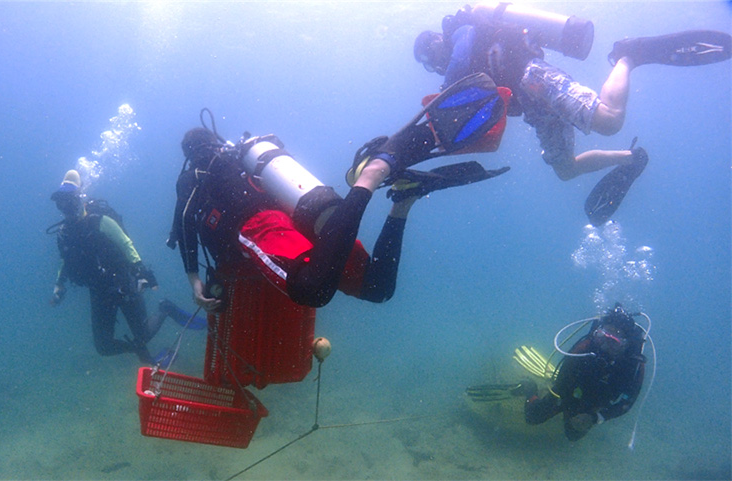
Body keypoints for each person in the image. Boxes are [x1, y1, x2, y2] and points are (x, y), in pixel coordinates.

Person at [167, 89, 509, 388]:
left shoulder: (196, 173)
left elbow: (184, 221)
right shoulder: (240, 159)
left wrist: (193, 278)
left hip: (261, 226)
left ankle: (373, 174)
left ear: (189, 152)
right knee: (377, 288)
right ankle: (404, 201)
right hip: (307, 219)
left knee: (312, 289)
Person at [414, 3, 731, 225]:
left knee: (608, 120)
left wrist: (444, 95)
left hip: (534, 77)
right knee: (565, 170)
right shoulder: (465, 60)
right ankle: (629, 159)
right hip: (534, 108)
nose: (435, 62)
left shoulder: (461, 29)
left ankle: (629, 56)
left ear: (434, 44)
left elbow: (458, 62)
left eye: (431, 57)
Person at [467, 304, 650, 441]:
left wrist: (595, 417)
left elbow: (628, 403)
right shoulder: (586, 346)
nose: (605, 345)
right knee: (533, 418)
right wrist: (565, 402)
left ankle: (578, 418)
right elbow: (563, 378)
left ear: (626, 345)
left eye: (615, 342)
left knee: (573, 436)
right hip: (570, 389)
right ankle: (528, 388)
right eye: (603, 337)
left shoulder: (634, 365)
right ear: (597, 334)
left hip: (594, 402)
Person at [49, 169, 171, 363]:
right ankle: (138, 348)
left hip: (122, 282)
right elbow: (65, 260)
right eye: (60, 204)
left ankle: (166, 308)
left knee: (144, 332)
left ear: (78, 199)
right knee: (103, 346)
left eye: (69, 202)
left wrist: (140, 269)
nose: (65, 208)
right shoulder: (64, 233)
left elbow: (125, 243)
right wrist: (59, 285)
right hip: (98, 290)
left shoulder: (99, 220)